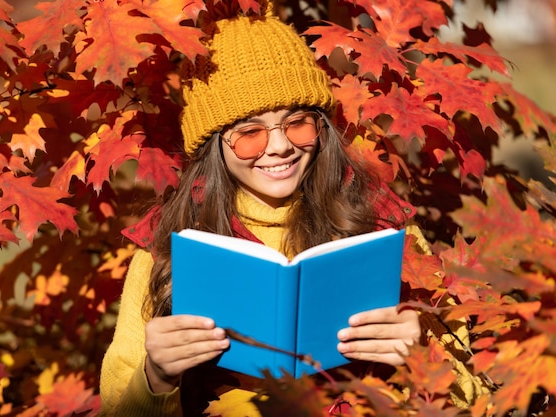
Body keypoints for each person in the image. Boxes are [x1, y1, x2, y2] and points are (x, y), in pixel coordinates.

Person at [99, 5, 485, 416]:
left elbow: (477, 394)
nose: (280, 147)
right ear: (213, 145)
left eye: (297, 123)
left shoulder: (382, 222)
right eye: (250, 134)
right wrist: (156, 378)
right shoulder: (168, 244)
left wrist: (420, 359)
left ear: (321, 127)